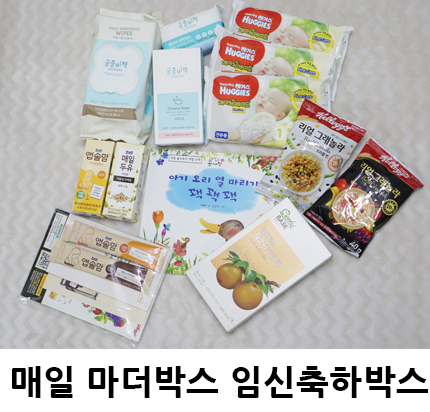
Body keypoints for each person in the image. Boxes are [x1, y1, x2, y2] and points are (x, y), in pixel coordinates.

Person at [227, 87, 292, 144]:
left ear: (279, 116)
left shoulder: (269, 118)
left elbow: (257, 130)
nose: (263, 100)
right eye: (262, 96)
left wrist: (240, 134)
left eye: (271, 101)